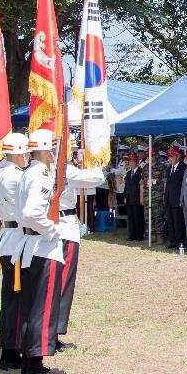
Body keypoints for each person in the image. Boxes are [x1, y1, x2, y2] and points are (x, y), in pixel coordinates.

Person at [15, 129, 66, 374]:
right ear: (46, 149)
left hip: (28, 244)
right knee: (42, 306)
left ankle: (30, 358)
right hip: (41, 246)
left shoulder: (28, 172)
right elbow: (32, 214)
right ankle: (34, 363)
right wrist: (52, 230)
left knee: (31, 305)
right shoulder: (42, 175)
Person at [54, 142, 106, 348]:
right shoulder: (64, 168)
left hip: (49, 228)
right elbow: (98, 177)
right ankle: (53, 331)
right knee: (63, 282)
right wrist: (91, 160)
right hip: (64, 227)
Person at [0, 133, 30, 370]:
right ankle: (12, 349)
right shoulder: (17, 177)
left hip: (8, 236)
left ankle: (10, 345)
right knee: (17, 298)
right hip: (17, 238)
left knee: (10, 298)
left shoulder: (1, 174)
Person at [162, 146, 187, 249]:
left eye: (172, 156)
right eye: (169, 156)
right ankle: (172, 241)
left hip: (178, 199)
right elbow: (167, 184)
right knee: (170, 222)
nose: (170, 158)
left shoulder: (183, 167)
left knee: (178, 222)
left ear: (178, 156)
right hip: (169, 199)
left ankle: (180, 241)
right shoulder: (169, 169)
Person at [122, 154, 145, 241]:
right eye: (130, 162)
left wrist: (141, 197)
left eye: (133, 161)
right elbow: (126, 186)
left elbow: (141, 186)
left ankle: (139, 236)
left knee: (138, 218)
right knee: (130, 218)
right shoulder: (128, 173)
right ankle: (132, 235)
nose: (131, 163)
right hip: (129, 198)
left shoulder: (140, 172)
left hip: (137, 198)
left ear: (136, 162)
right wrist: (125, 196)